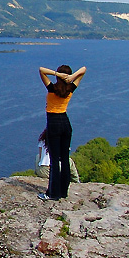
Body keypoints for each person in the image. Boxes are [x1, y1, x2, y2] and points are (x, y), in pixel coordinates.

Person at [38, 64, 86, 200]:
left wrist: (57, 74)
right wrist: (72, 77)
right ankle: (63, 192)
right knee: (64, 159)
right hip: (66, 123)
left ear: (59, 76)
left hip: (53, 123)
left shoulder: (52, 88)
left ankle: (52, 194)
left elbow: (41, 70)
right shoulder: (70, 89)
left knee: (54, 159)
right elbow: (83, 69)